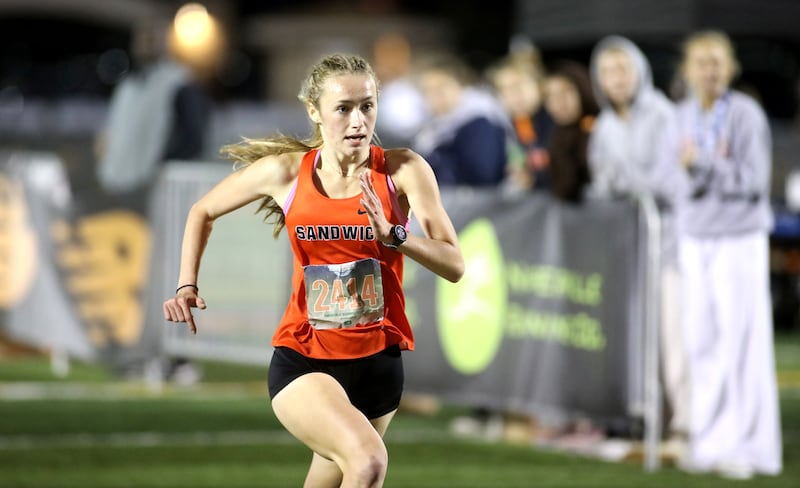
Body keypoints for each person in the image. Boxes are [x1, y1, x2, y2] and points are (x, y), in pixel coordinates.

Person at [162, 53, 464, 488]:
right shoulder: (286, 173)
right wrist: (186, 283)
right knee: (369, 462)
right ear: (314, 112)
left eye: (368, 105)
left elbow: (455, 265)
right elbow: (202, 210)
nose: (358, 121)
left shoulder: (403, 170)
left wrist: (395, 235)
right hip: (305, 358)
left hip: (378, 366)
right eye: (343, 108)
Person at [675, 30, 782, 479]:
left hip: (738, 237)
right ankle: (710, 441)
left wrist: (701, 166)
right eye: (701, 62)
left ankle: (752, 448)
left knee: (742, 343)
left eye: (717, 62)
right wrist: (697, 173)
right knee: (702, 342)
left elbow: (754, 180)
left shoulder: (745, 113)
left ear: (731, 68)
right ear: (688, 69)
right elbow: (672, 178)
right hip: (695, 237)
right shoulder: (681, 114)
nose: (709, 70)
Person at [587, 35, 690, 454]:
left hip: (671, 248)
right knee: (641, 339)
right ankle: (652, 422)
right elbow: (599, 185)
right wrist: (619, 187)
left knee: (674, 339)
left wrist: (624, 184)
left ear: (639, 71)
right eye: (608, 72)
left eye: (623, 69)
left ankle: (685, 427)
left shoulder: (664, 115)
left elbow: (672, 182)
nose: (617, 79)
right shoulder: (606, 126)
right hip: (631, 251)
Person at [96, 17, 212, 199]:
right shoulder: (128, 85)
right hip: (116, 185)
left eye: (153, 36)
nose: (146, 43)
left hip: (152, 188)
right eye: (143, 36)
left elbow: (194, 139)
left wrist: (159, 166)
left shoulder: (179, 83)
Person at [412, 52, 511, 187]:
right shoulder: (432, 128)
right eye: (429, 90)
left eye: (442, 87)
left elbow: (483, 176)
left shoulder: (479, 123)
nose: (436, 95)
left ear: (460, 85)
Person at [486, 52, 554, 191]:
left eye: (519, 85)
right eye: (504, 89)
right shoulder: (506, 126)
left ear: (539, 85)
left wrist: (535, 179)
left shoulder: (557, 119)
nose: (514, 95)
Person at [543, 61, 599, 203]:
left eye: (566, 92)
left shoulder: (601, 127)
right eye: (549, 96)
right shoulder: (556, 136)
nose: (558, 103)